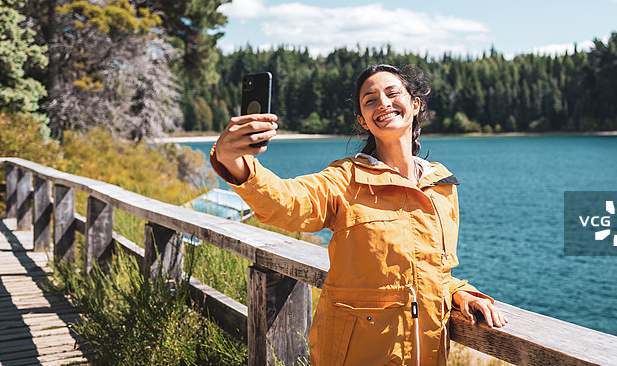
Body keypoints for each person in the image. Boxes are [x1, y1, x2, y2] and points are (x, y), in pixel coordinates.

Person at [211, 64, 507, 366]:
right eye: (370, 100)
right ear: (362, 120)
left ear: (415, 104)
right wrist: (234, 161)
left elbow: (432, 268)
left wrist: (462, 294)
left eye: (393, 93)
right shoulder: (345, 179)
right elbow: (287, 203)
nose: (383, 103)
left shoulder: (441, 184)